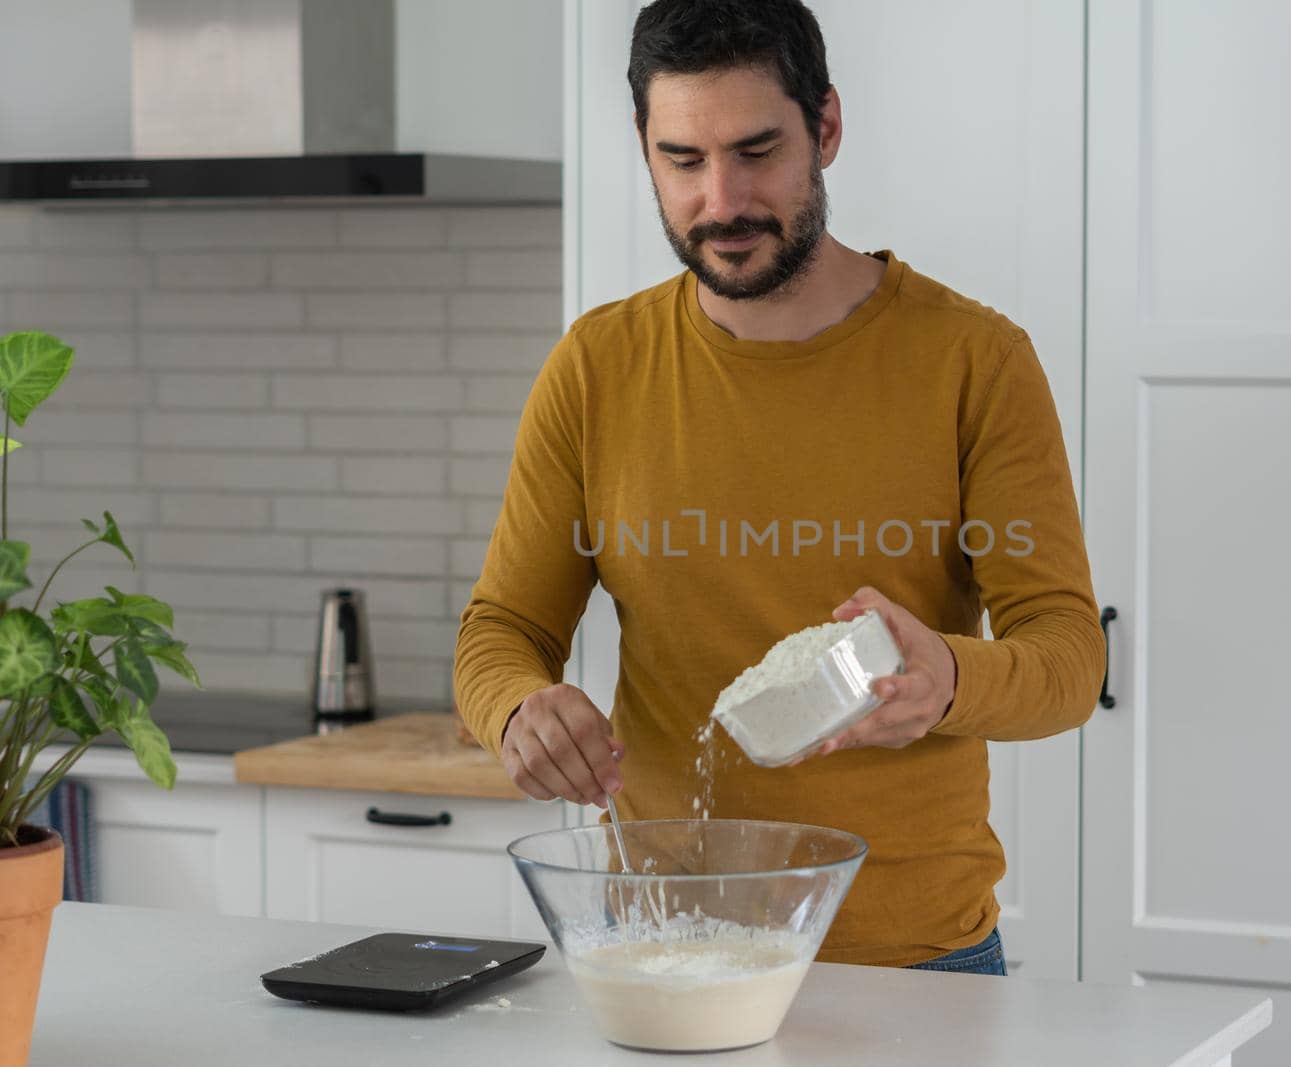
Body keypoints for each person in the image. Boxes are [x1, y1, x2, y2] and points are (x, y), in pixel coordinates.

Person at [454, 0, 1105, 975]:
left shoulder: (974, 362)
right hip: (667, 947)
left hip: (915, 962)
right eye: (682, 159)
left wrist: (946, 680)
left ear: (826, 128)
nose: (721, 199)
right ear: (643, 148)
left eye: (756, 150)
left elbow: (1067, 657)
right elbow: (501, 624)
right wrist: (517, 707)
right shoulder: (596, 366)